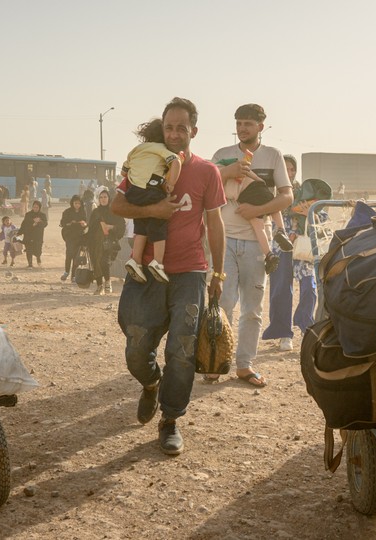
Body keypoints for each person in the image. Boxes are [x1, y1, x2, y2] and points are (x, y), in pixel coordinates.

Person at [113, 97, 226, 456]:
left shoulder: (207, 172)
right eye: (169, 127)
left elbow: (215, 222)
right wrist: (154, 209)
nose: (175, 133)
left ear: (194, 130)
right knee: (136, 347)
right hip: (145, 271)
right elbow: (116, 206)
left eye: (181, 127)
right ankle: (150, 383)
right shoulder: (144, 161)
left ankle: (171, 419)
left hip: (189, 272)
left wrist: (218, 272)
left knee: (182, 350)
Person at [211, 103, 293, 388]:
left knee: (252, 309)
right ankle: (215, 361)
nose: (242, 128)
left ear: (261, 126)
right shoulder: (222, 155)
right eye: (239, 123)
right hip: (224, 239)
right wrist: (228, 171)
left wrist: (257, 211)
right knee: (223, 303)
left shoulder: (273, 156)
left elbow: (286, 197)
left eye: (248, 123)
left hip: (258, 244)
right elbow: (206, 187)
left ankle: (245, 365)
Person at [260, 155, 320, 351]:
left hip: (303, 247)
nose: (289, 173)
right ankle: (284, 333)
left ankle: (306, 326)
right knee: (280, 290)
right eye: (285, 169)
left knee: (309, 287)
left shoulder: (306, 192)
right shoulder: (268, 192)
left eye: (292, 169)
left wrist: (309, 213)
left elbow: (321, 213)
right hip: (280, 247)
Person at [120, 118, 183, 284]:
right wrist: (170, 183)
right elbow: (175, 162)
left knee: (141, 228)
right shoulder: (161, 149)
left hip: (134, 192)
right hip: (152, 190)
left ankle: (135, 260)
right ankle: (158, 263)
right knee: (159, 225)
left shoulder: (136, 149)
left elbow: (124, 172)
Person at [87, 188, 125, 295]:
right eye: (101, 197)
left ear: (109, 198)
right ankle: (100, 286)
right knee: (96, 263)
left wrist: (111, 227)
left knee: (104, 261)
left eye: (105, 197)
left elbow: (121, 226)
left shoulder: (114, 211)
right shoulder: (95, 212)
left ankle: (108, 283)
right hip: (95, 243)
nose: (103, 199)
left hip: (109, 242)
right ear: (98, 199)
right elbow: (91, 228)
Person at [60, 195, 87, 281]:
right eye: (75, 203)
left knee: (77, 256)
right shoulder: (67, 212)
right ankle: (66, 272)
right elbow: (62, 223)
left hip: (79, 237)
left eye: (79, 203)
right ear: (72, 203)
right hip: (69, 236)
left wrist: (84, 224)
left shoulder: (83, 212)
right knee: (69, 254)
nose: (77, 205)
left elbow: (86, 223)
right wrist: (70, 223)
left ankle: (74, 276)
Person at [19, 200, 47, 268]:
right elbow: (24, 224)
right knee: (29, 249)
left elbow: (45, 224)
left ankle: (38, 257)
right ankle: (30, 264)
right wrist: (32, 223)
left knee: (38, 250)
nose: (35, 208)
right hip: (28, 235)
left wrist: (39, 221)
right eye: (34, 207)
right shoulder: (28, 214)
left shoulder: (42, 215)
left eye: (37, 207)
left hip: (38, 236)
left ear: (39, 208)